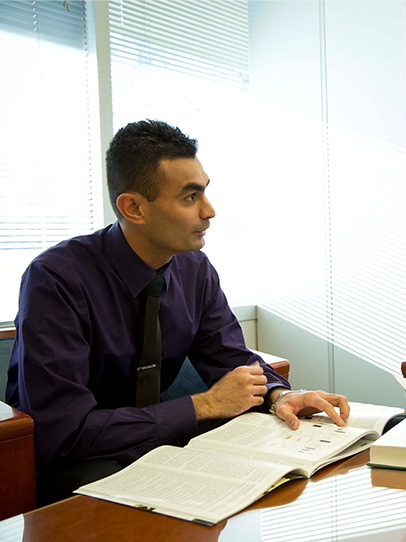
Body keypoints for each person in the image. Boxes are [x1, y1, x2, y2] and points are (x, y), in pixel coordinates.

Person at [5, 119, 349, 504]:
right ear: (133, 207)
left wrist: (278, 395)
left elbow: (231, 358)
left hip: (157, 441)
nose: (210, 210)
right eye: (190, 198)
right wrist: (204, 405)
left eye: (205, 192)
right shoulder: (55, 279)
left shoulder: (194, 269)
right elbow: (64, 435)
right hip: (80, 461)